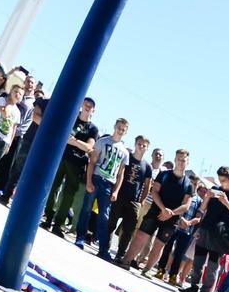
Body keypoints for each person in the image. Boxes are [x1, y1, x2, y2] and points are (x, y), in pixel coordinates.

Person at [183, 166, 229, 292]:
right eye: (220, 180)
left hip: (221, 235)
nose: (221, 183)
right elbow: (203, 208)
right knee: (197, 261)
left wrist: (226, 202)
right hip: (206, 228)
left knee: (212, 265)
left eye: (224, 180)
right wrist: (207, 197)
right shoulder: (215, 189)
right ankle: (193, 286)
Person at [43, 98, 99, 236]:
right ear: (81, 105)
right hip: (60, 157)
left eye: (90, 106)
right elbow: (62, 135)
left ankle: (58, 224)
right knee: (53, 188)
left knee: (68, 195)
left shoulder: (93, 129)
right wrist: (79, 143)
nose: (87, 107)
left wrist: (73, 141)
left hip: (77, 163)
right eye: (86, 104)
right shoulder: (72, 118)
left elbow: (88, 147)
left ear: (93, 110)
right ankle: (48, 217)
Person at [77, 117, 131, 255]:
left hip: (109, 184)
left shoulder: (124, 152)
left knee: (104, 216)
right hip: (96, 178)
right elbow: (92, 162)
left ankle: (102, 249)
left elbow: (121, 174)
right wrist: (89, 181)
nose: (120, 130)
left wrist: (116, 191)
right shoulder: (102, 142)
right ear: (115, 126)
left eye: (123, 129)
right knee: (86, 209)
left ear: (126, 131)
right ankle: (80, 238)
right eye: (119, 127)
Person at [108, 135, 153, 263]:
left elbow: (147, 186)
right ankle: (104, 247)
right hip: (119, 195)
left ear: (147, 148)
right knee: (111, 223)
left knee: (128, 230)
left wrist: (141, 202)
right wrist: (114, 190)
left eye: (144, 145)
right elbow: (118, 173)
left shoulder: (147, 167)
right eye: (139, 143)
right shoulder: (127, 156)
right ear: (135, 143)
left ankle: (120, 254)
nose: (141, 146)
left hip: (134, 201)